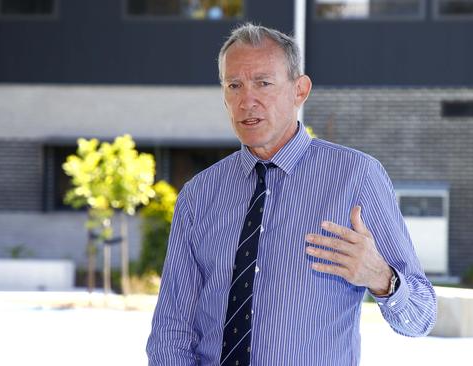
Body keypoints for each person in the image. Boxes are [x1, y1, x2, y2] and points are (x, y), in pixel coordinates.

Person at [146, 23, 436, 365]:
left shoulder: (357, 177)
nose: (246, 100)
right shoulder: (200, 195)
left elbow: (421, 317)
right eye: (234, 85)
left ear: (300, 90)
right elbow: (172, 330)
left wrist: (381, 278)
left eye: (263, 83)